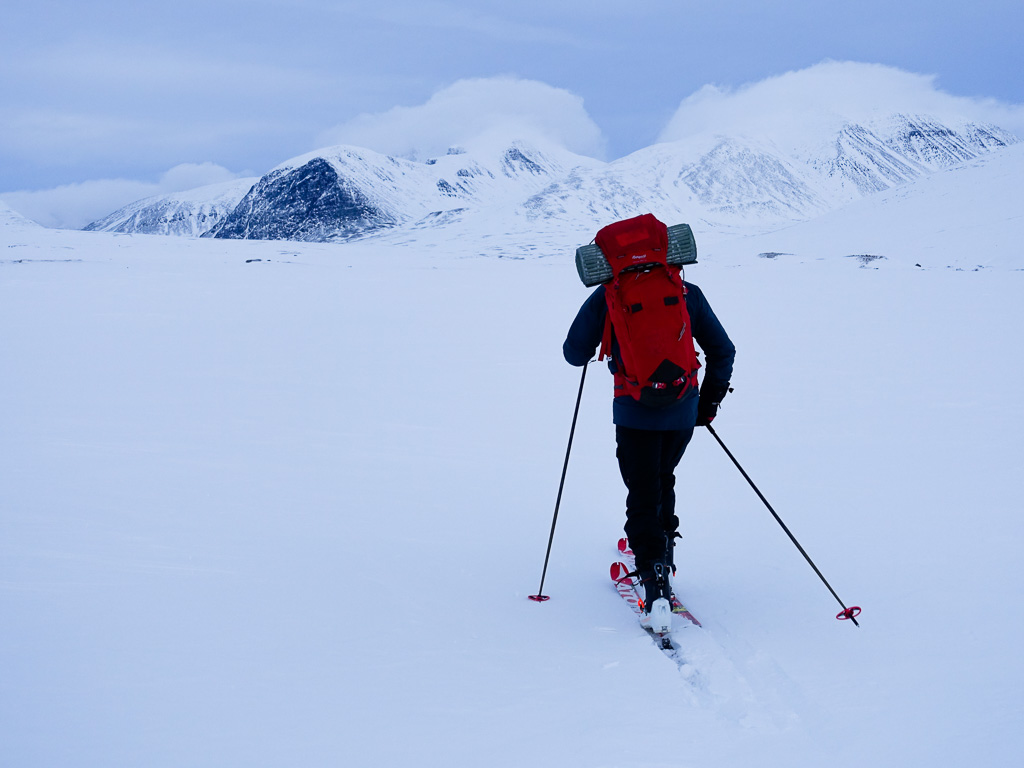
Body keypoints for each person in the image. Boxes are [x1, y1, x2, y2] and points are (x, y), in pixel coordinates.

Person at [562, 230, 735, 618]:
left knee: (643, 492)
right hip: (682, 409)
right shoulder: (687, 294)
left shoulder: (609, 295)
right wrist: (707, 404)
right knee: (663, 477)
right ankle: (663, 551)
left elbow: (573, 354)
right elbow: (723, 350)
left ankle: (655, 579)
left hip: (634, 412)